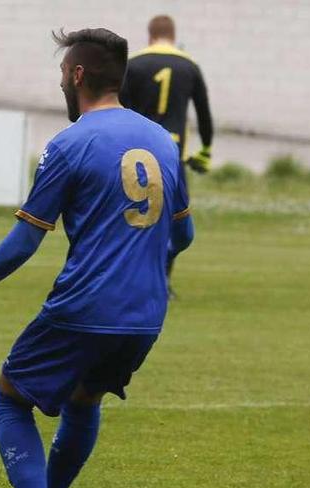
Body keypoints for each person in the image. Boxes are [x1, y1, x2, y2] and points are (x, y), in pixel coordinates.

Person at [0, 28, 194, 488]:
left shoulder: (68, 145)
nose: (59, 84)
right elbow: (184, 234)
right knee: (83, 399)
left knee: (10, 399)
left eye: (61, 73)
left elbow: (25, 241)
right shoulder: (163, 142)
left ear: (77, 74)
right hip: (146, 316)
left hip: (85, 307)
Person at [119, 14, 212, 298]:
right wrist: (205, 152)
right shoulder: (190, 66)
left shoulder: (133, 64)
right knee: (173, 220)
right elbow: (204, 114)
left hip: (136, 155)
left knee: (130, 216)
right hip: (172, 154)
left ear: (149, 36)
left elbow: (119, 108)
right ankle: (163, 281)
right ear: (173, 35)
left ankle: (125, 277)